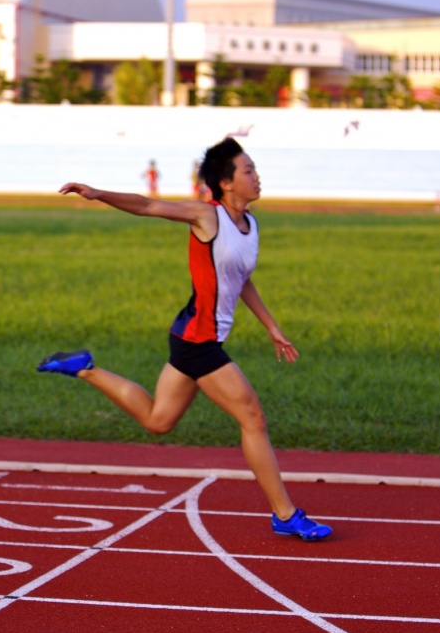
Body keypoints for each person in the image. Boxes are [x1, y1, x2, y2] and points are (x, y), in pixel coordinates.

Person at [37, 136, 331, 541]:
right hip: (198, 341)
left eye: (254, 169)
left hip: (194, 336)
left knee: (159, 420)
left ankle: (85, 368)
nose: (256, 176)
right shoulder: (206, 216)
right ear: (225, 183)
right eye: (248, 170)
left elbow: (241, 279)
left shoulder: (250, 225)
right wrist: (98, 193)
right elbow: (148, 205)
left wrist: (271, 326)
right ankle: (285, 514)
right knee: (252, 416)